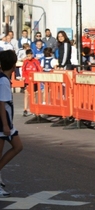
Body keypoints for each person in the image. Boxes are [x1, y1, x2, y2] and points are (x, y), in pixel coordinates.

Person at [0, 50, 23, 197]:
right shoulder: (3, 80)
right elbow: (1, 103)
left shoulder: (4, 78)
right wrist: (5, 125)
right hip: (3, 122)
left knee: (18, 146)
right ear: (14, 65)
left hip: (5, 122)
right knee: (16, 147)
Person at [21, 49, 43, 116]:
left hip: (34, 81)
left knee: (34, 95)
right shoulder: (26, 62)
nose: (29, 57)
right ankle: (25, 109)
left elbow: (40, 70)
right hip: (27, 81)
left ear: (32, 55)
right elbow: (23, 70)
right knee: (26, 94)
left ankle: (34, 109)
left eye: (30, 56)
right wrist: (24, 77)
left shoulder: (36, 61)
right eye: (27, 56)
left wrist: (38, 78)